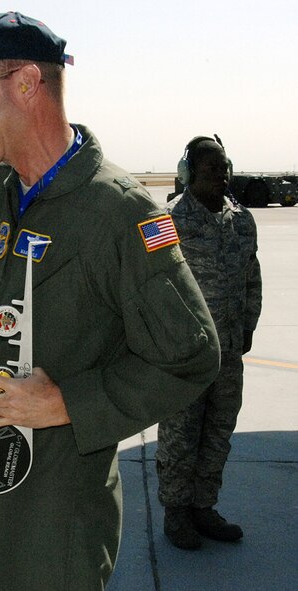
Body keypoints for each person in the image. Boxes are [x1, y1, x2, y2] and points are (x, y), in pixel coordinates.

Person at [0, 12, 221, 590]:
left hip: (64, 502)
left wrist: (67, 404)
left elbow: (192, 355)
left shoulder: (121, 210)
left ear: (27, 82)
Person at [156, 136, 262, 549]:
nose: (222, 175)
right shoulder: (169, 220)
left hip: (230, 351)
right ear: (189, 174)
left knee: (219, 429)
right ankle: (176, 514)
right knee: (181, 434)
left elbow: (251, 275)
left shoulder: (241, 220)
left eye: (224, 168)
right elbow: (154, 284)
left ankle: (204, 507)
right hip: (186, 353)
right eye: (211, 169)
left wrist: (249, 324)